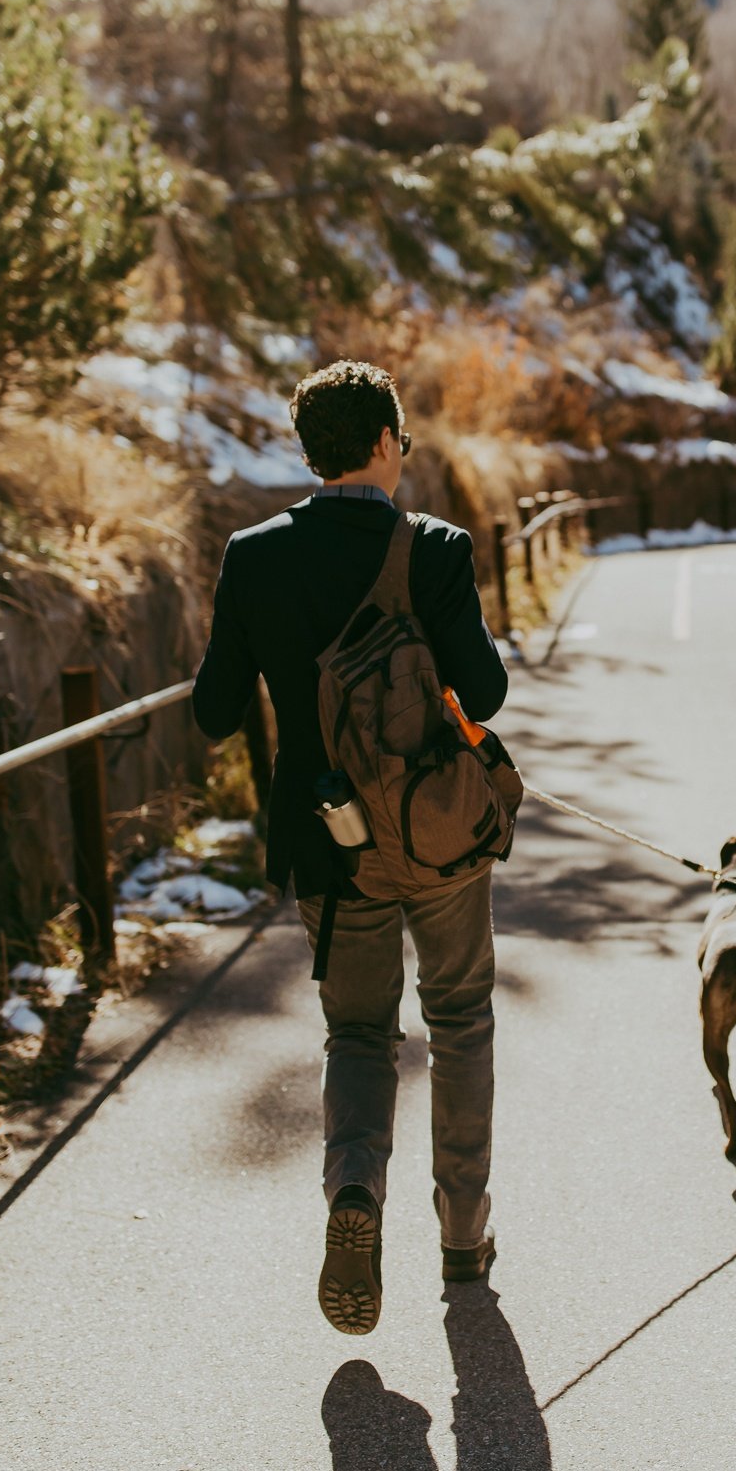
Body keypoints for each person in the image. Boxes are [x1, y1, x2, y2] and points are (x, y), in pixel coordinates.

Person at [192, 359, 508, 1332]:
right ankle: (463, 1235)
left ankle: (353, 1193)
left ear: (308, 450)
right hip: (441, 838)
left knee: (360, 1032)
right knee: (458, 1020)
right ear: (383, 443)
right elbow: (485, 693)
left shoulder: (252, 554)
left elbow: (210, 711)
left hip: (328, 839)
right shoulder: (438, 549)